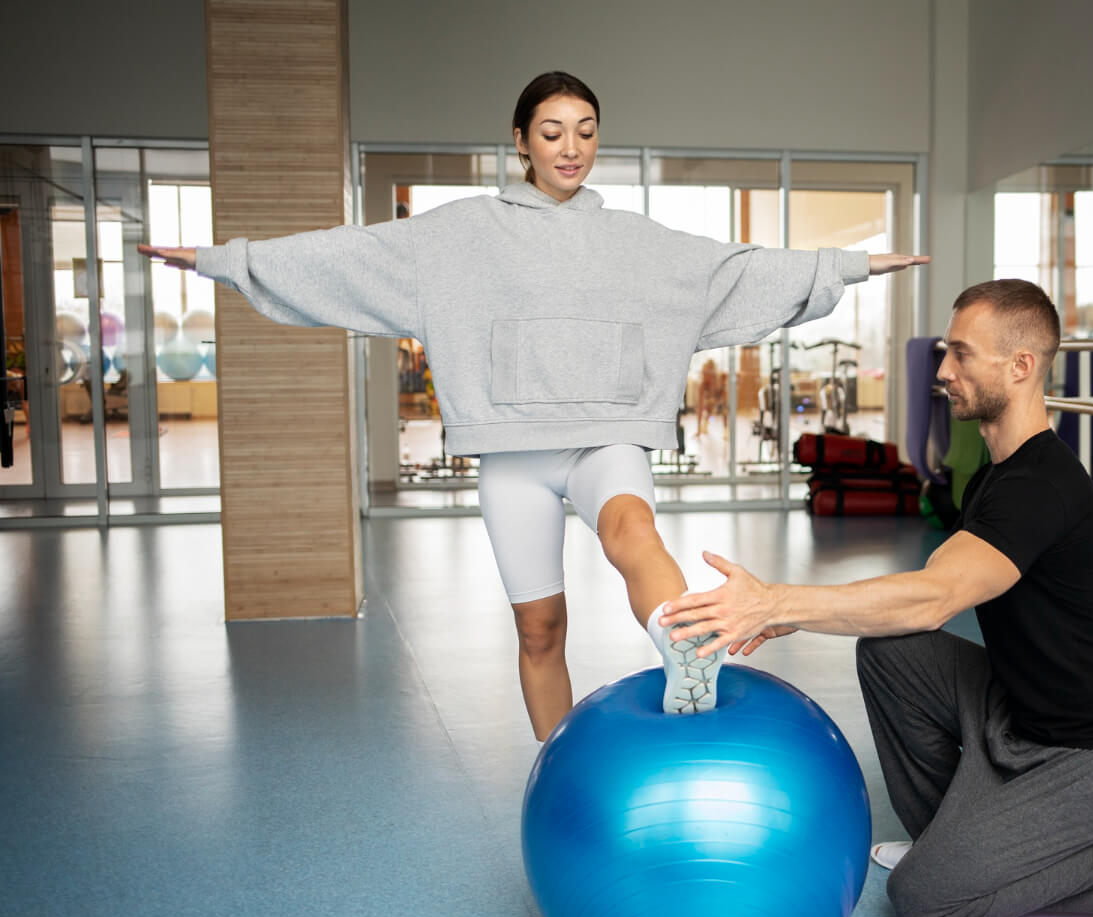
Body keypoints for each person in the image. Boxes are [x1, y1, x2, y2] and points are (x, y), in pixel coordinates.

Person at [139, 70, 927, 741]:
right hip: (513, 451)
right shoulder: (458, 235)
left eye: (585, 131)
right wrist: (221, 260)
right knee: (539, 630)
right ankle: (555, 763)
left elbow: (739, 271)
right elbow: (347, 257)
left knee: (632, 530)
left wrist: (852, 266)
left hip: (606, 436)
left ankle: (687, 646)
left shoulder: (637, 240)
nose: (571, 147)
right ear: (521, 141)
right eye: (552, 132)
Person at [659, 278, 1093, 917]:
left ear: (1021, 366)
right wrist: (796, 610)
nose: (944, 371)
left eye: (961, 354)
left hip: (1089, 760)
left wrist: (776, 600)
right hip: (1017, 713)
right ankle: (955, 843)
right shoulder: (995, 476)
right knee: (891, 653)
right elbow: (926, 585)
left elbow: (934, 598)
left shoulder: (1042, 488)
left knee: (924, 900)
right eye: (946, 353)